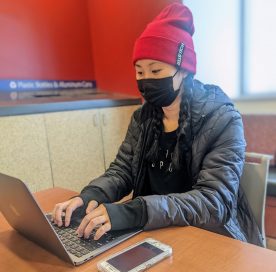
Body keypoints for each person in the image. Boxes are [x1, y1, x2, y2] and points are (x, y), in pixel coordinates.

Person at [51, 2, 263, 246]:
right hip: (152, 234)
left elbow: (214, 202)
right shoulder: (143, 118)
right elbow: (122, 171)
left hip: (207, 239)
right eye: (140, 72)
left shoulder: (222, 119)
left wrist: (136, 211)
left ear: (183, 70)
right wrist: (90, 196)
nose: (146, 81)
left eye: (156, 70)